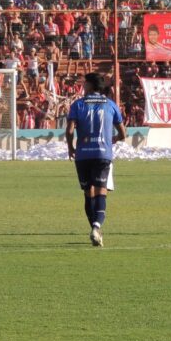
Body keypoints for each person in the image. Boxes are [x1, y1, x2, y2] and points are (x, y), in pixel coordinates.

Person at [65, 73, 127, 247]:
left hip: (83, 155)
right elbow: (123, 133)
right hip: (102, 154)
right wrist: (114, 139)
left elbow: (69, 130)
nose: (83, 86)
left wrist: (71, 147)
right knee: (101, 191)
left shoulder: (77, 105)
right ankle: (96, 227)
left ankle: (94, 228)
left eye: (85, 83)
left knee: (88, 193)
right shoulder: (111, 105)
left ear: (91, 86)